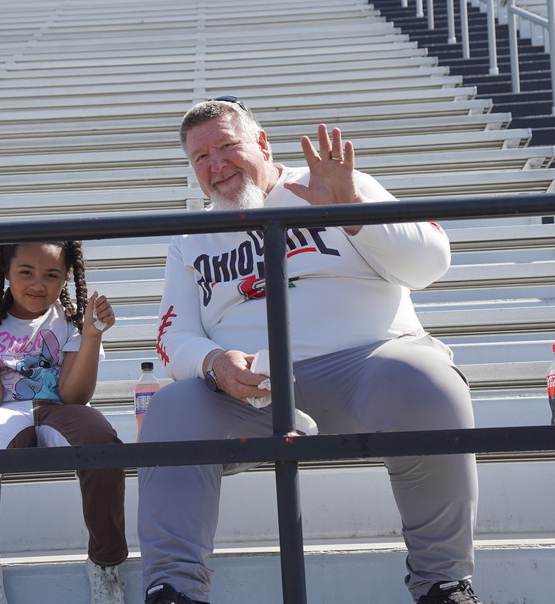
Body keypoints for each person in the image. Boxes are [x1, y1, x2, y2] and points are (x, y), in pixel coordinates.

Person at [139, 98, 482, 604]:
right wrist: (214, 364)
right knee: (171, 408)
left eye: (227, 147)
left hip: (367, 363)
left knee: (426, 379)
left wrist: (351, 211)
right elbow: (172, 337)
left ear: (262, 143)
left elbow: (431, 262)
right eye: (201, 158)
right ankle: (173, 590)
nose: (216, 166)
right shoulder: (190, 237)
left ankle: (443, 583)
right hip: (252, 387)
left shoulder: (334, 183)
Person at [0, 241, 128, 604]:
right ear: (6, 273)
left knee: (102, 441)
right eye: (25, 272)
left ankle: (104, 562)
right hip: (4, 412)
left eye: (51, 275)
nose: (37, 284)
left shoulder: (73, 319)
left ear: (66, 278)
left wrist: (92, 335)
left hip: (62, 409)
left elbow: (74, 396)